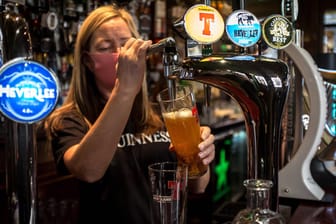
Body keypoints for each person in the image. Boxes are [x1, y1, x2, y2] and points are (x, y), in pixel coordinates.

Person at [43, 4, 215, 224]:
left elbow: (198, 185)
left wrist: (202, 154)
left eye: (126, 45)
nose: (119, 54)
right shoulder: (70, 119)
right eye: (106, 47)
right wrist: (124, 89)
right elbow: (88, 170)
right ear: (87, 60)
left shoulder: (161, 113)